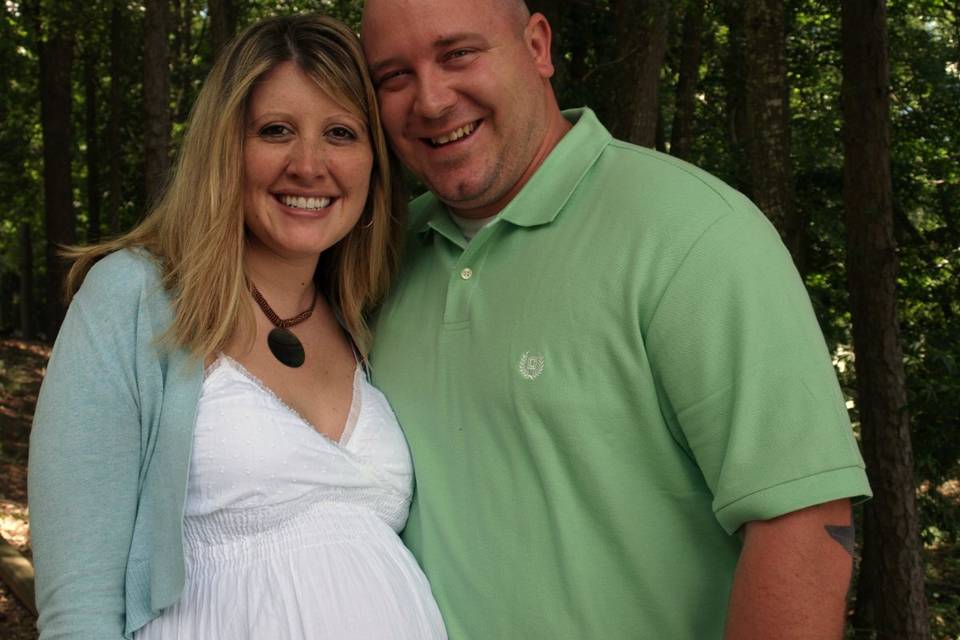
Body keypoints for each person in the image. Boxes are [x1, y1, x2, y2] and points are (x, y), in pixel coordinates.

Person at [360, 0, 871, 638]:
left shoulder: (694, 232)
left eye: (458, 54)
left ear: (537, 46)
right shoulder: (376, 264)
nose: (431, 100)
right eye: (394, 77)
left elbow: (801, 520)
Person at [29, 14, 446, 640]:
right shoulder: (136, 296)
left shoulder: (367, 319)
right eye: (276, 130)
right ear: (226, 148)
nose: (309, 165)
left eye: (340, 132)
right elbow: (78, 605)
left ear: (373, 163)